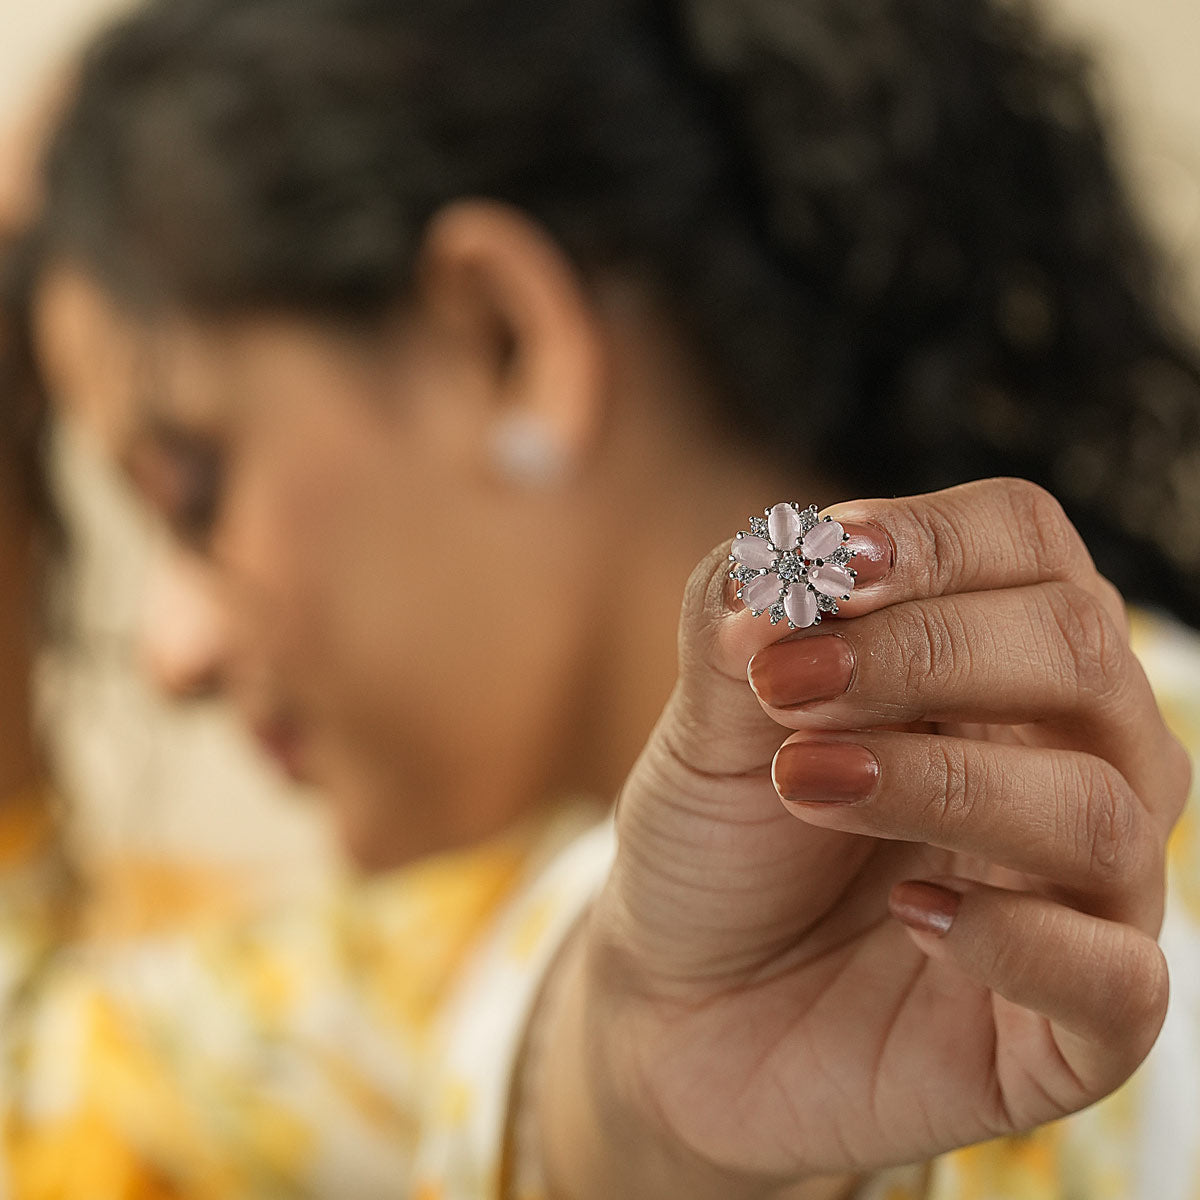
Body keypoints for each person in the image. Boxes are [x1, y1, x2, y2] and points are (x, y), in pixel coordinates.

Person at [14, 0, 1200, 1196]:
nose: (172, 651)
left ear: (503, 339)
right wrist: (635, 1092)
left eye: (192, 491)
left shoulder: (1092, 839)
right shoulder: (467, 946)